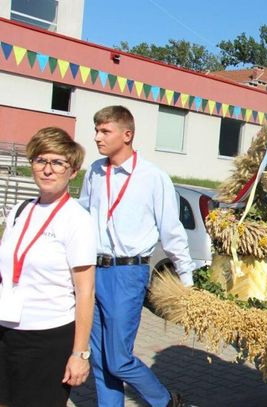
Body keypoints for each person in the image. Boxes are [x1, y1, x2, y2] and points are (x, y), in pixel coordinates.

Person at [79, 106, 196, 407]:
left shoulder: (152, 177)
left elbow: (172, 230)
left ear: (127, 134)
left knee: (118, 359)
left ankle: (165, 400)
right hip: (93, 269)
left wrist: (187, 278)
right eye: (96, 130)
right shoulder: (94, 171)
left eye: (105, 131)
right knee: (100, 359)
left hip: (127, 274)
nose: (97, 138)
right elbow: (81, 216)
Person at [0, 127, 96, 407]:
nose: (47, 169)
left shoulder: (77, 220)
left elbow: (86, 292)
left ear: (73, 170)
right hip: (5, 333)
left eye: (57, 162)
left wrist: (80, 353)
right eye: (41, 160)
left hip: (47, 338)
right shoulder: (19, 210)